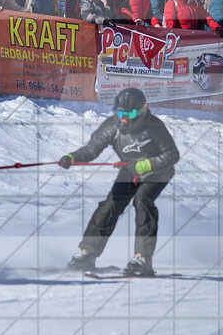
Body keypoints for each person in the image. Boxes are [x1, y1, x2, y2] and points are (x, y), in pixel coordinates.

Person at [59, 87, 180, 276]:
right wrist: (71, 157)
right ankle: (88, 252)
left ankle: (143, 258)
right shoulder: (111, 127)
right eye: (120, 112)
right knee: (111, 204)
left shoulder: (154, 126)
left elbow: (172, 155)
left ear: (142, 110)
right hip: (129, 171)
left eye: (130, 113)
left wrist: (144, 165)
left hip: (158, 172)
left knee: (142, 200)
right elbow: (91, 150)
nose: (124, 118)